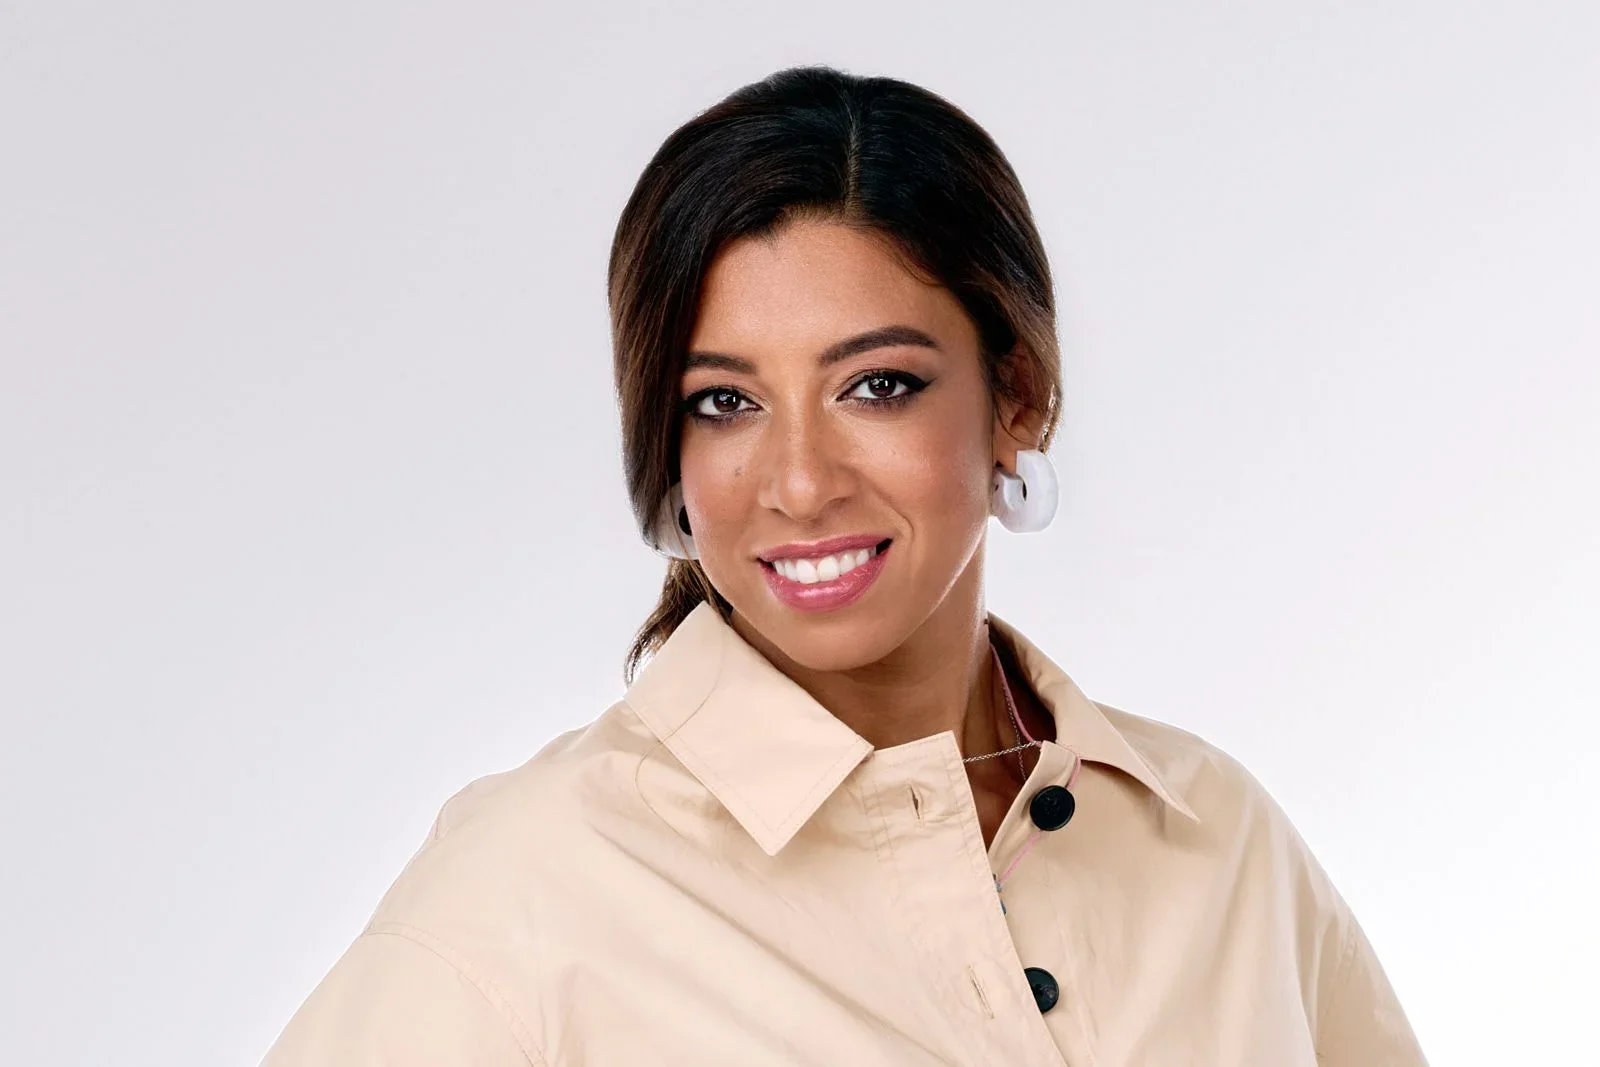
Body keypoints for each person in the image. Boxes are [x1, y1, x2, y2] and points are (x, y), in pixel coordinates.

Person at [262, 65, 1427, 1065]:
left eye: (877, 384)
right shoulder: (532, 889)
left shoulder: (1217, 840)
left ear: (1014, 394)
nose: (801, 480)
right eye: (724, 401)